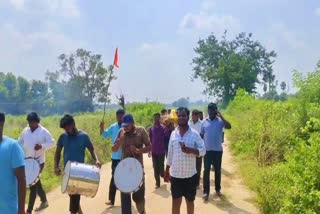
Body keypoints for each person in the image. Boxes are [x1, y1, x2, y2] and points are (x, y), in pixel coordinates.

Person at [54, 114, 101, 214]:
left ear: (73, 124)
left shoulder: (83, 136)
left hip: (80, 172)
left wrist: (97, 160)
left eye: (67, 127)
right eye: (64, 128)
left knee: (74, 199)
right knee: (73, 196)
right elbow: (57, 152)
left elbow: (92, 149)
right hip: (68, 172)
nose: (66, 130)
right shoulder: (63, 137)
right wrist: (56, 166)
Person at [165, 107, 206, 214]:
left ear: (188, 117)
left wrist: (191, 150)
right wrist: (167, 170)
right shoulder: (173, 134)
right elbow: (170, 153)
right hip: (176, 176)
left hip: (190, 176)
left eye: (184, 115)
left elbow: (203, 150)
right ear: (177, 117)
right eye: (180, 115)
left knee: (190, 202)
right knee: (175, 203)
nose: (182, 117)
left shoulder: (194, 134)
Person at [112, 114, 151, 214]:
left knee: (138, 198)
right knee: (124, 198)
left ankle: (142, 211)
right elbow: (114, 149)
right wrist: (118, 143)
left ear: (133, 123)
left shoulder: (141, 131)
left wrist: (138, 150)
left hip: (137, 170)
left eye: (127, 126)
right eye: (124, 126)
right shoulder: (121, 132)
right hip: (124, 170)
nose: (125, 128)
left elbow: (149, 147)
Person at [19, 112, 54, 214]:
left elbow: (52, 142)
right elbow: (19, 142)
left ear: (37, 121)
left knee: (32, 184)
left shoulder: (43, 131)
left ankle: (29, 211)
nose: (30, 124)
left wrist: (42, 146)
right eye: (29, 122)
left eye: (32, 122)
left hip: (38, 161)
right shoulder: (25, 131)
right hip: (27, 161)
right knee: (36, 181)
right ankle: (44, 201)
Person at [201, 103, 231, 201]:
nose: (211, 112)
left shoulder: (220, 122)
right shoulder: (204, 122)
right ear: (208, 110)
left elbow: (229, 126)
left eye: (213, 110)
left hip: (218, 151)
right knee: (206, 172)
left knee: (217, 171)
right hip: (207, 151)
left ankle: (218, 190)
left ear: (216, 111)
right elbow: (201, 135)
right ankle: (206, 192)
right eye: (210, 110)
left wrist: (221, 116)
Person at [0, 112, 26, 214]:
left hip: (9, 209)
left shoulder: (12, 146)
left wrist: (21, 210)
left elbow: (21, 180)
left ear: (1, 124)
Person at [99, 109, 125, 206]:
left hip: (125, 157)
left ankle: (125, 199)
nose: (119, 118)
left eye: (121, 116)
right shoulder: (113, 126)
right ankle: (111, 200)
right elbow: (104, 134)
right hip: (115, 157)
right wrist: (101, 128)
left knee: (124, 177)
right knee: (114, 177)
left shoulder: (127, 127)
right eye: (118, 116)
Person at [149, 113, 170, 188]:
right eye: (155, 118)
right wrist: (149, 150)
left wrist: (168, 128)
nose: (156, 119)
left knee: (161, 169)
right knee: (155, 167)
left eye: (157, 118)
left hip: (161, 151)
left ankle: (165, 175)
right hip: (154, 151)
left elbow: (167, 137)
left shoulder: (164, 128)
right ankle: (157, 183)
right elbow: (150, 140)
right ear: (153, 119)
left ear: (160, 119)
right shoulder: (151, 128)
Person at [188, 109, 203, 189]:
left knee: (198, 166)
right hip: (190, 147)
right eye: (193, 115)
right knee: (190, 165)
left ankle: (197, 183)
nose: (194, 117)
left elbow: (203, 135)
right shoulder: (188, 123)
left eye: (195, 115)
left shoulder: (201, 124)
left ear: (197, 116)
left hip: (198, 148)